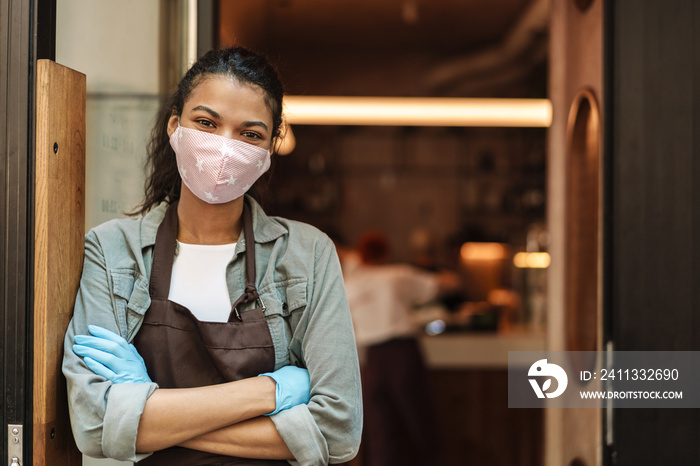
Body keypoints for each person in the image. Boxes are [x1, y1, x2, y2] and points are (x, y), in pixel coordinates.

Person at [62, 46, 362, 465]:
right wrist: (269, 393)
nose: (225, 147)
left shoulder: (307, 254)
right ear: (174, 125)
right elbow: (94, 426)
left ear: (270, 148)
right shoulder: (113, 251)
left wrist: (149, 414)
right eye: (206, 123)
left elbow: (339, 432)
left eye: (250, 134)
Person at [344, 231, 458, 466]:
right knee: (420, 423)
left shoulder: (349, 285)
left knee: (380, 431)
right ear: (387, 253)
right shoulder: (397, 275)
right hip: (402, 355)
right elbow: (450, 284)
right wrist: (445, 272)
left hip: (371, 361)